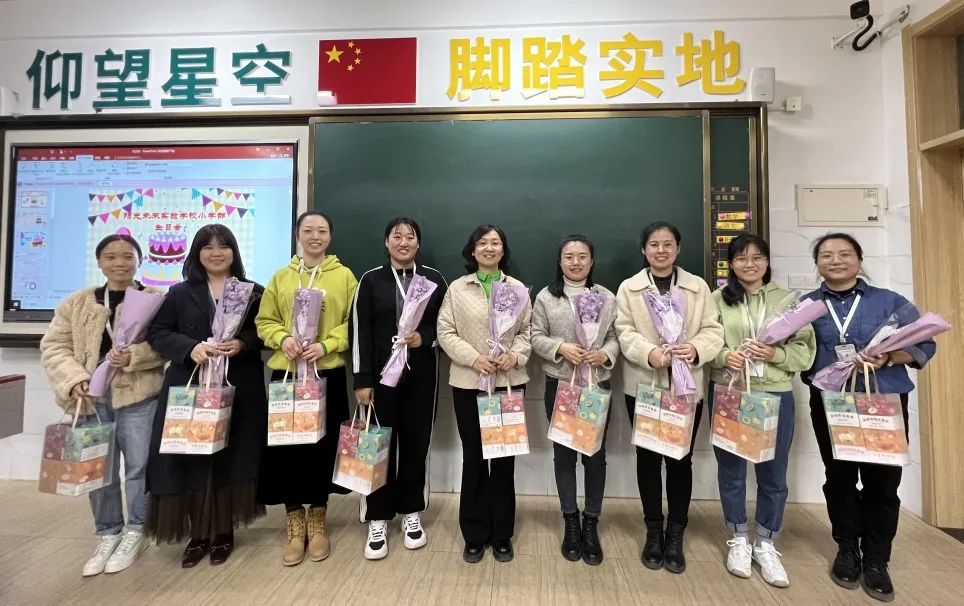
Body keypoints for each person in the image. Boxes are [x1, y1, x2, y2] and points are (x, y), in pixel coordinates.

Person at [803, 232, 936, 602]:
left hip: (883, 401)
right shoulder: (807, 306)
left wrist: (890, 358)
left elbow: (925, 343)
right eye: (827, 255)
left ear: (859, 261)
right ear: (817, 264)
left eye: (845, 254)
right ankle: (847, 549)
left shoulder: (889, 301)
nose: (836, 260)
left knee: (882, 482)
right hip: (832, 402)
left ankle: (877, 559)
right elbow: (798, 349)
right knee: (840, 478)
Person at [39, 234, 164, 577]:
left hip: (138, 395)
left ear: (139, 261)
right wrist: (73, 378)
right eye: (111, 256)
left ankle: (137, 530)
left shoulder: (155, 299)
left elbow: (164, 345)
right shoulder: (78, 303)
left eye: (127, 256)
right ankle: (108, 532)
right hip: (90, 399)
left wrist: (135, 356)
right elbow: (54, 345)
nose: (119, 263)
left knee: (139, 467)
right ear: (99, 262)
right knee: (97, 469)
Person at [145, 224, 267, 567]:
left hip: (238, 387)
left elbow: (263, 332)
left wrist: (242, 343)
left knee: (230, 457)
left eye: (223, 246)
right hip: (191, 385)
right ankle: (197, 536)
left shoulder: (252, 292)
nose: (217, 253)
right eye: (208, 247)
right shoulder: (180, 293)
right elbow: (157, 332)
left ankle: (224, 532)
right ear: (197, 253)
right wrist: (190, 348)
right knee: (191, 457)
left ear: (234, 252)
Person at [614, 221, 723, 574]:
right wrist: (649, 353)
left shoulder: (697, 287)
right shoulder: (630, 288)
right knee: (647, 459)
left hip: (685, 387)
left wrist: (695, 349)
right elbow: (623, 330)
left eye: (667, 244)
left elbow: (713, 330)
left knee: (680, 461)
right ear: (644, 250)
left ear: (678, 249)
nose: (661, 250)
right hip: (644, 386)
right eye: (654, 245)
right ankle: (653, 530)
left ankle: (676, 532)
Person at [708, 234, 815, 588]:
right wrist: (725, 356)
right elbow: (706, 344)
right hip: (732, 392)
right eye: (741, 258)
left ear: (767, 262)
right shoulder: (717, 299)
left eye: (757, 257)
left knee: (773, 473)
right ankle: (738, 537)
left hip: (775, 394)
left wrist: (775, 354)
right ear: (731, 264)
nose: (749, 264)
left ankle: (766, 542)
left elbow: (805, 353)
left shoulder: (789, 301)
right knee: (732, 470)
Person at [255, 210, 358, 566]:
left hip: (326, 375)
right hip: (287, 377)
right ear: (298, 234)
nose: (315, 236)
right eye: (308, 230)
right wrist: (282, 338)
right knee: (287, 451)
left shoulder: (345, 276)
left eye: (322, 231)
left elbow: (353, 323)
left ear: (330, 236)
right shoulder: (281, 277)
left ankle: (318, 518)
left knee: (322, 449)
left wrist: (327, 345)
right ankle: (294, 521)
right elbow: (264, 320)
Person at [350, 217, 447, 560]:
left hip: (422, 376)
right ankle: (377, 516)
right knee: (376, 445)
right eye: (397, 236)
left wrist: (426, 337)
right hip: (379, 379)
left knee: (416, 444)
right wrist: (362, 380)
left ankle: (411, 510)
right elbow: (359, 330)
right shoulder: (370, 279)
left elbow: (446, 325)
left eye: (410, 237)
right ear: (386, 242)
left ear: (418, 243)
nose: (403, 242)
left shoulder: (433, 279)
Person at [436, 224, 531, 564]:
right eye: (482, 243)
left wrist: (514, 356)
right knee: (475, 458)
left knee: (504, 459)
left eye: (495, 243)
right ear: (472, 250)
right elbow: (445, 331)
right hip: (468, 382)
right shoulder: (457, 289)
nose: (489, 248)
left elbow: (527, 332)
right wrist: (474, 358)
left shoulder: (517, 289)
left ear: (503, 250)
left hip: (507, 383)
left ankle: (502, 533)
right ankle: (475, 534)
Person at [531, 234, 619, 566]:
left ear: (592, 261)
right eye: (569, 256)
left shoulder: (606, 296)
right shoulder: (546, 297)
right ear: (560, 261)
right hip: (560, 386)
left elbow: (615, 336)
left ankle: (591, 522)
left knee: (595, 457)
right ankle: (570, 520)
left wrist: (605, 354)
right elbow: (534, 335)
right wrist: (560, 347)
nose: (576, 262)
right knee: (564, 457)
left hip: (596, 385)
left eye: (582, 256)